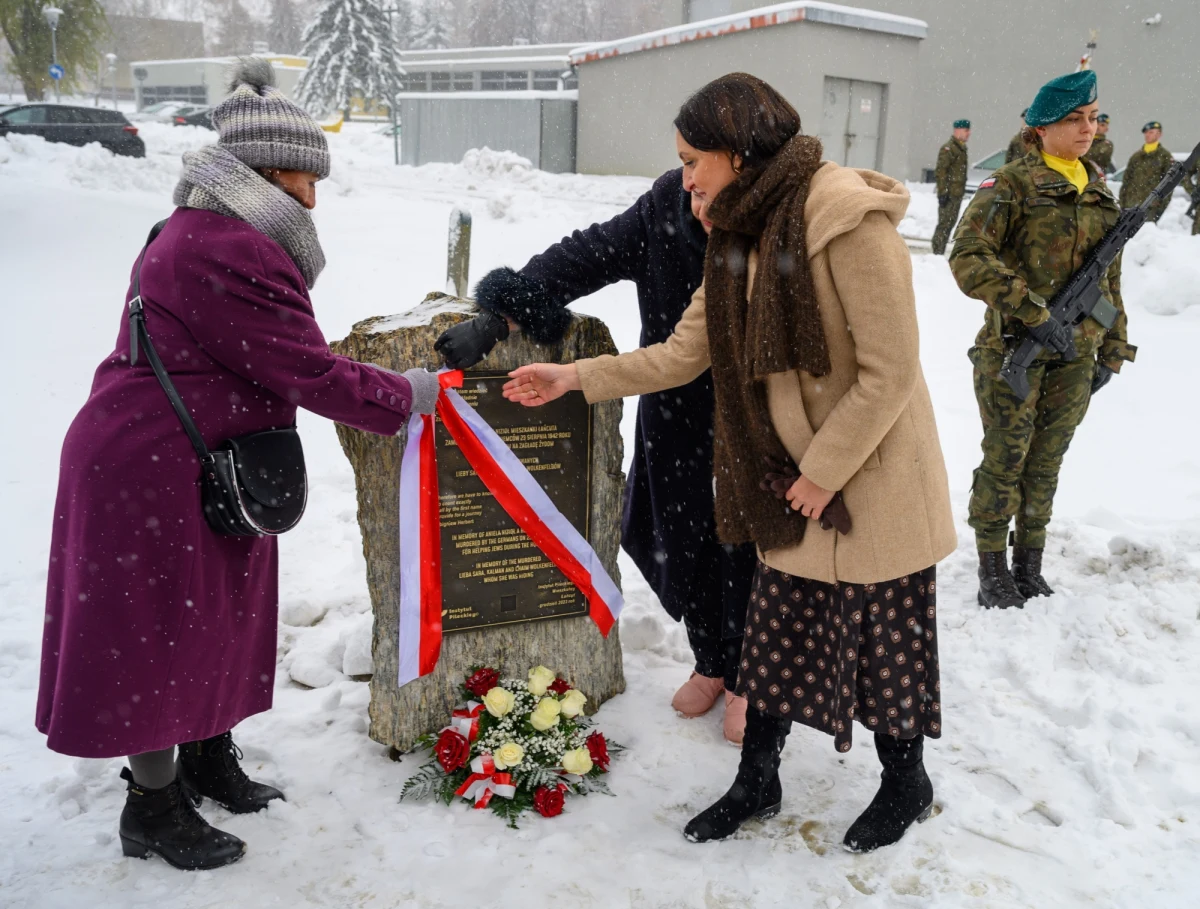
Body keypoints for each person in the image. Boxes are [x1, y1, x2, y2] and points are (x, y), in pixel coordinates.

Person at [503, 73, 956, 852]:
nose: (683, 180)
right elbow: (684, 354)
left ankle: (906, 780)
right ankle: (758, 781)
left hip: (869, 474)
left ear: (739, 153)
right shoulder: (737, 235)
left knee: (886, 638)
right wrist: (574, 379)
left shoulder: (847, 221)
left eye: (692, 161)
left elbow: (890, 370)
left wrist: (824, 471)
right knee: (773, 631)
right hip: (787, 472)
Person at [35, 59, 440, 871]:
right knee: (157, 633)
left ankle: (207, 753)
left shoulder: (208, 230)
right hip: (154, 469)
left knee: (212, 616)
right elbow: (306, 368)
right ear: (259, 171)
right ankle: (153, 805)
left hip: (199, 462)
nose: (314, 197)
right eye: (302, 177)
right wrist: (411, 395)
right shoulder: (227, 246)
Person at [433, 164, 757, 745]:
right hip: (671, 404)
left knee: (742, 544)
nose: (687, 179)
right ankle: (710, 658)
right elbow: (584, 256)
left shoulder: (764, 216)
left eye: (696, 162)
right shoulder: (664, 210)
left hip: (751, 412)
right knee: (682, 538)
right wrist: (500, 315)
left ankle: (748, 676)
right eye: (680, 161)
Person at [950, 70, 1136, 611]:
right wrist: (1032, 312)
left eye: (1094, 116)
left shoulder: (1098, 188)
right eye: (1074, 119)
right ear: (1041, 128)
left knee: (1047, 462)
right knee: (1005, 460)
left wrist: (1113, 347)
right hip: (1016, 351)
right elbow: (966, 256)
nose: (1088, 127)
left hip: (1075, 355)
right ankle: (991, 568)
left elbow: (1110, 279)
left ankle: (1029, 564)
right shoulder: (1010, 184)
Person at [1119, 121, 1174, 221]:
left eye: (1151, 132)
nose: (1147, 135)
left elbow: (1169, 185)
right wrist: (1122, 204)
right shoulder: (1136, 157)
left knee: (1146, 235)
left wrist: (1160, 208)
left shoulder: (1165, 156)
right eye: (1146, 132)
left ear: (1159, 134)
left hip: (1150, 207)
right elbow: (1126, 182)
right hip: (1130, 205)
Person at [932, 119, 970, 255]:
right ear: (957, 130)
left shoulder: (961, 148)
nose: (969, 133)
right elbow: (941, 171)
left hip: (956, 194)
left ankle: (939, 252)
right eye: (966, 130)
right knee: (944, 225)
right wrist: (943, 193)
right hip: (948, 194)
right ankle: (937, 253)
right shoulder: (949, 148)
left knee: (950, 224)